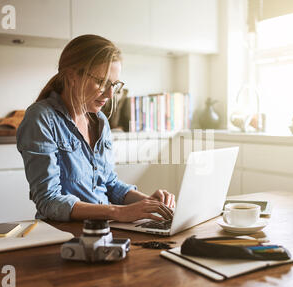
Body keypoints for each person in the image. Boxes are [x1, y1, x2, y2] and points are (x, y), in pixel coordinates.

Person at [16, 34, 175, 223]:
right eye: (101, 82)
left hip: (104, 229)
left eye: (114, 85)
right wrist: (117, 212)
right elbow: (48, 200)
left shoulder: (100, 121)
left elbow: (110, 184)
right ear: (72, 76)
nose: (110, 94)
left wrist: (150, 203)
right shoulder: (41, 118)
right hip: (63, 233)